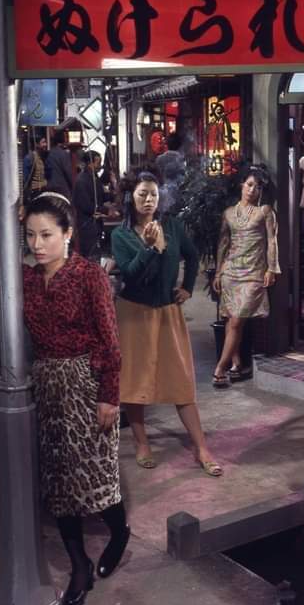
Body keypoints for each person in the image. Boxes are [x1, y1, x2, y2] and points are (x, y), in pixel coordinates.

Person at [0, 193, 129, 605]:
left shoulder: (89, 276)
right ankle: (79, 566)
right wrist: (6, 222)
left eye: (47, 235)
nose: (37, 244)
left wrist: (109, 397)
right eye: (31, 235)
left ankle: (119, 533)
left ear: (68, 234)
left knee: (96, 476)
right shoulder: (26, 278)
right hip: (47, 384)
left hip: (87, 385)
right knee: (59, 484)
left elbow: (110, 342)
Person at [111, 168, 223, 477]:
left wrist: (187, 286)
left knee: (180, 380)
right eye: (142, 194)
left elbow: (193, 254)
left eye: (153, 194)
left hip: (167, 312)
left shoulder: (172, 225)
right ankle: (141, 442)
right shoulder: (120, 235)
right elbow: (131, 275)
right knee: (134, 381)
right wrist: (150, 248)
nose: (149, 200)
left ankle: (201, 447)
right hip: (133, 313)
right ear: (130, 197)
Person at [212, 164, 280, 387]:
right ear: (242, 185)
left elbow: (272, 241)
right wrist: (218, 272)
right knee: (232, 319)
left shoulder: (265, 212)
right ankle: (236, 363)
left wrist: (271, 268)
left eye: (258, 187)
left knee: (236, 319)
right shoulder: (228, 213)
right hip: (230, 272)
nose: (253, 190)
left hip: (253, 273)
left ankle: (220, 368)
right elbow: (223, 243)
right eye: (250, 185)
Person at [72, 151, 111, 259]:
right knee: (90, 255)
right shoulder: (82, 180)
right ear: (90, 163)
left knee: (96, 254)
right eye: (98, 163)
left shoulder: (94, 177)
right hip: (87, 224)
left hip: (95, 223)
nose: (100, 166)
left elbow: (100, 196)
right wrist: (106, 211)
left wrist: (113, 196)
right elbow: (86, 206)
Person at [46, 132, 75, 200]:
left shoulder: (49, 153)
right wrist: (74, 185)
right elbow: (68, 172)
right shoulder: (64, 154)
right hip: (62, 187)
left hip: (50, 186)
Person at [22, 134, 48, 202]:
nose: (45, 144)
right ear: (37, 144)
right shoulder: (30, 158)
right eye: (43, 142)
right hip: (34, 192)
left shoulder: (43, 157)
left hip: (43, 191)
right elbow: (26, 179)